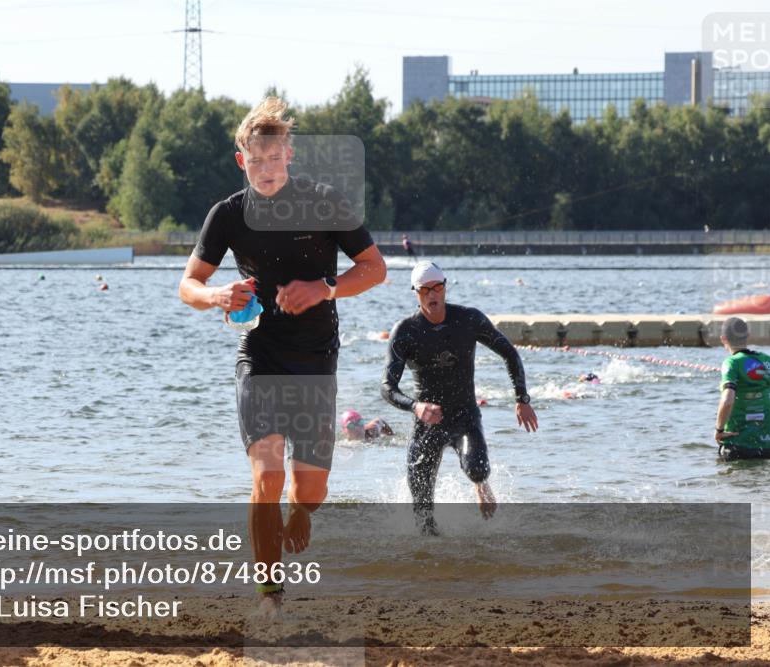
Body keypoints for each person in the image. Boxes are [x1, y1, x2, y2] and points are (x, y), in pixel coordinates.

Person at [178, 97, 387, 616]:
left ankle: (302, 510)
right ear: (241, 160)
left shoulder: (324, 202)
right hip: (260, 356)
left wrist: (325, 288)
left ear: (289, 155)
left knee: (309, 491)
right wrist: (217, 296)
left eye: (275, 159)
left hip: (316, 359)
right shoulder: (228, 214)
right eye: (256, 160)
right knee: (267, 476)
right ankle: (270, 596)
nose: (266, 169)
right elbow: (188, 284)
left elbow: (375, 268)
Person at [381, 261, 538, 535]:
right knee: (422, 516)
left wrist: (522, 399)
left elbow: (509, 353)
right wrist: (415, 407)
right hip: (427, 423)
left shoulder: (468, 319)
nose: (432, 294)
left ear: (445, 287)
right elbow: (387, 387)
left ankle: (480, 485)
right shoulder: (405, 331)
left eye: (437, 287)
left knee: (478, 469)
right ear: (416, 293)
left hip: (465, 416)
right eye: (425, 290)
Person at [714, 317, 770, 460]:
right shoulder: (766, 360)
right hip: (767, 445)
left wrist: (719, 430)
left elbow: (727, 400)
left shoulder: (732, 363)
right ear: (748, 336)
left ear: (723, 339)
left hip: (737, 444)